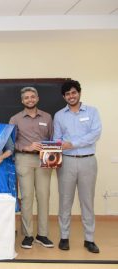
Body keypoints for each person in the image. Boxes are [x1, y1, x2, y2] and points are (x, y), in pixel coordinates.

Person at [54, 80, 102, 253]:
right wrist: (57, 146)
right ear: (64, 97)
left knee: (87, 201)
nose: (71, 96)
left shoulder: (92, 112)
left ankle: (89, 239)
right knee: (65, 201)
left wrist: (72, 143)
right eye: (67, 94)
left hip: (88, 161)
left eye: (73, 92)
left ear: (79, 93)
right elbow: (57, 140)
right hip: (66, 162)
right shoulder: (59, 115)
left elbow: (94, 134)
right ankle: (64, 237)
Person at [10, 87, 54, 249]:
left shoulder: (48, 117)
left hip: (44, 161)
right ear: (22, 101)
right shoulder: (15, 119)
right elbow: (10, 143)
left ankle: (42, 235)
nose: (30, 99)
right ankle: (28, 235)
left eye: (32, 97)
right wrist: (25, 147)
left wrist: (51, 152)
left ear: (37, 98)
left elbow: (53, 138)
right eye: (26, 98)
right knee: (27, 198)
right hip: (24, 159)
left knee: (43, 196)